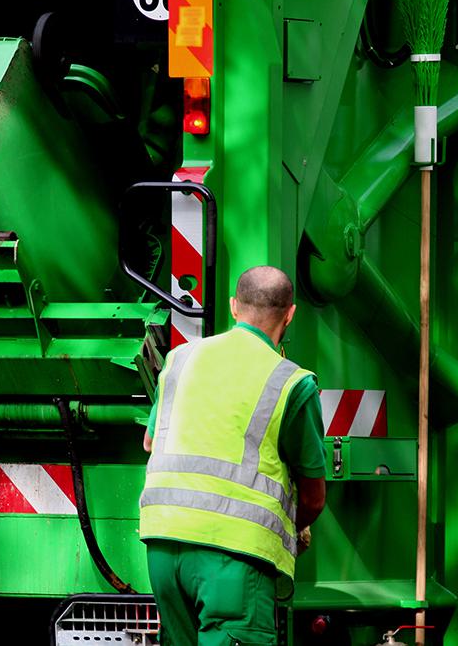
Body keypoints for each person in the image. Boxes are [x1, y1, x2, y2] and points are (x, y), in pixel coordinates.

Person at [139, 266, 326, 646]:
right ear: (290, 315)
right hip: (234, 558)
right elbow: (314, 497)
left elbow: (150, 442)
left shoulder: (179, 359)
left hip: (162, 545)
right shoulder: (292, 382)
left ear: (232, 308)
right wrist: (291, 527)